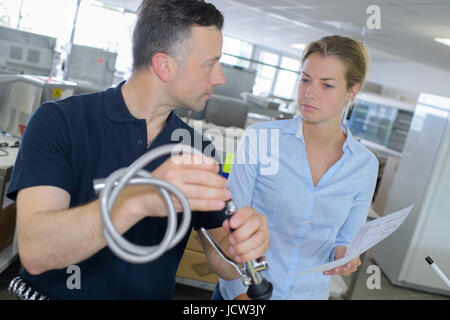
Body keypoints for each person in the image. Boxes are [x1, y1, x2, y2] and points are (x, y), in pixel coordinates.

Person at [6, 0, 269, 300]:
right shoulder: (61, 122)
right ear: (164, 66)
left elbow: (220, 259)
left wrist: (243, 248)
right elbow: (36, 251)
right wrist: (138, 199)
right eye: (211, 63)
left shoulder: (198, 149)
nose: (220, 78)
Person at [214, 35, 379, 300]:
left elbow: (346, 241)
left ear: (352, 92)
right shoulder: (261, 139)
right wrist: (239, 294)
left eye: (327, 85)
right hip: (246, 293)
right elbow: (229, 222)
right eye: (305, 80)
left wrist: (346, 257)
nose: (310, 93)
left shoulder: (364, 166)